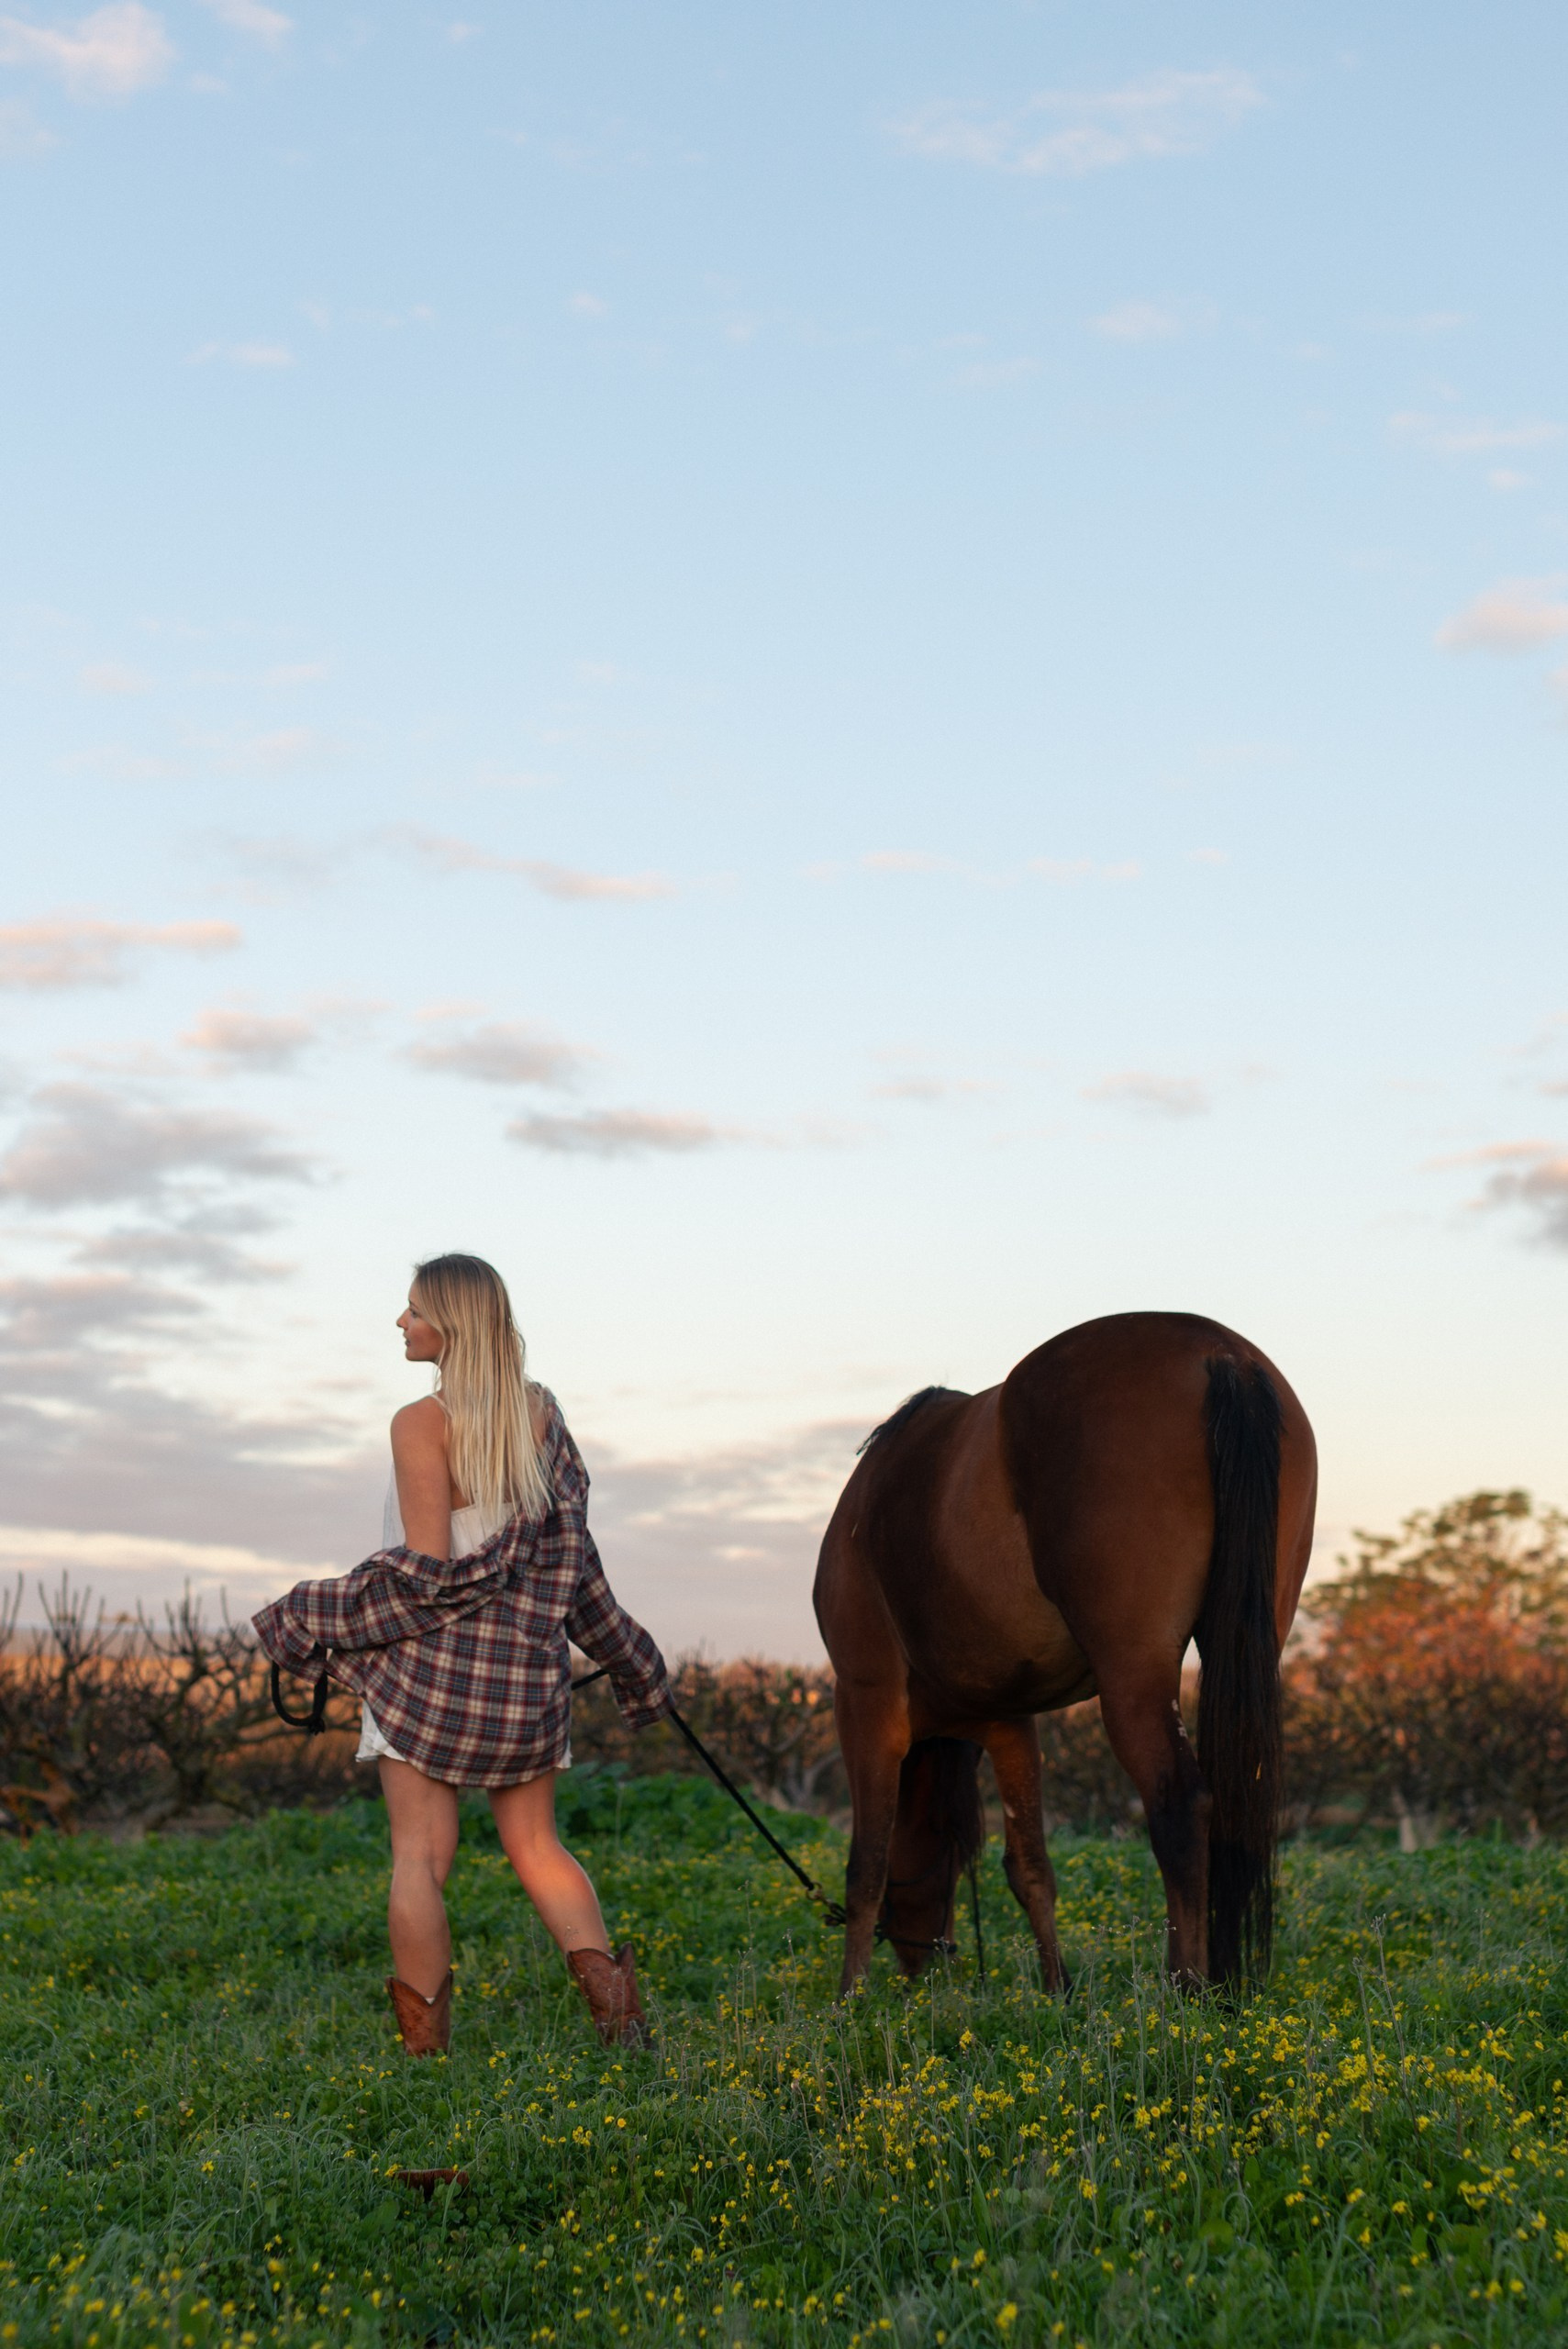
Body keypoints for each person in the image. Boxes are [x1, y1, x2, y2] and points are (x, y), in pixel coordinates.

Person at [253, 1252, 672, 2056]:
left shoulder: (421, 1422)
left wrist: (309, 1614)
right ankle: (625, 2033)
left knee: (418, 1857)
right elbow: (574, 1568)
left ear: (452, 1323)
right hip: (522, 1682)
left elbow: (425, 1577)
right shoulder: (542, 1415)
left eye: (413, 1310)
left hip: (428, 1680)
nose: (400, 1324)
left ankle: (425, 2057)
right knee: (539, 1848)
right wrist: (633, 1661)